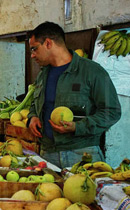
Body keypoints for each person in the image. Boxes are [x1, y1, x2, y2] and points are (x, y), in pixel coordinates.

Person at [26, 22, 121, 168]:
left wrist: (78, 127)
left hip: (82, 153)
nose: (32, 55)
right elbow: (35, 103)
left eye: (34, 49)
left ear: (48, 43)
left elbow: (112, 111)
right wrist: (32, 117)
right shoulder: (43, 74)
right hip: (48, 153)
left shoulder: (92, 72)